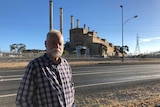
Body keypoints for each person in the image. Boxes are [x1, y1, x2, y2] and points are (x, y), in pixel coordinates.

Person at [16, 30, 75, 107]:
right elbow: (22, 100)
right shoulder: (35, 66)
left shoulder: (66, 65)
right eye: (53, 43)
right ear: (45, 44)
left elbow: (71, 91)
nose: (57, 46)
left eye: (60, 44)